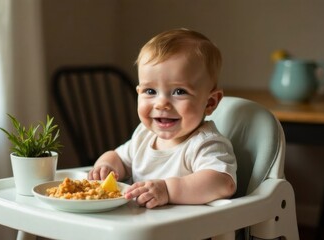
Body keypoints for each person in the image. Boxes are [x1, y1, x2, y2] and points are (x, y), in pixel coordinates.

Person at [88, 28, 237, 209]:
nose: (161, 104)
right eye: (150, 91)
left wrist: (168, 189)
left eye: (179, 91)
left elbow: (222, 182)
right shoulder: (144, 136)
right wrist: (106, 166)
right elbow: (118, 157)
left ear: (210, 102)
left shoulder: (204, 144)